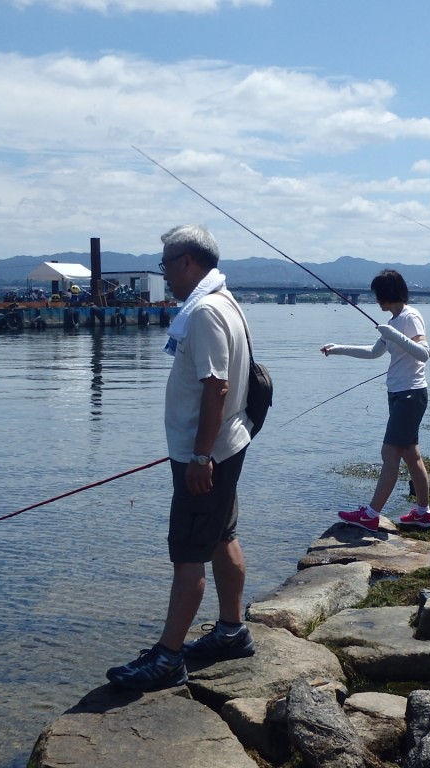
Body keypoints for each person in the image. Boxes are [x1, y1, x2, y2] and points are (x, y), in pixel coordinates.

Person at [107, 224, 255, 691]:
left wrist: (198, 456)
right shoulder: (227, 303)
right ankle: (232, 632)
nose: (164, 274)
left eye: (166, 264)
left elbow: (217, 387)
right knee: (221, 536)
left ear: (187, 261)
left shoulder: (207, 311)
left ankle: (168, 658)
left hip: (207, 455)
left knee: (188, 553)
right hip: (226, 445)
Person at [320, 270, 430, 532]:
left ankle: (371, 514)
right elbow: (373, 353)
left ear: (386, 295)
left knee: (390, 453)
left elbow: (424, 354)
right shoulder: (394, 321)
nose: (376, 300)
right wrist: (338, 348)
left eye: (378, 295)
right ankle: (423, 513)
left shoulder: (410, 317)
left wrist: (394, 335)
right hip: (400, 394)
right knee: (411, 455)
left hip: (410, 394)